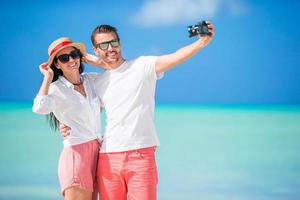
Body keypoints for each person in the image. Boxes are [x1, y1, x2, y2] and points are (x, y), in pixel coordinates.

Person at [61, 23, 215, 200]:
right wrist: (64, 124)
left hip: (141, 156)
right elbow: (76, 105)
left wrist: (202, 42)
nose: (110, 48)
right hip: (107, 158)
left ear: (120, 43)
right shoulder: (96, 82)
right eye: (103, 45)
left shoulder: (142, 66)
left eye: (114, 43)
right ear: (96, 50)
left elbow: (175, 57)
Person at [32, 37, 102, 200]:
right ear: (57, 64)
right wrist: (48, 76)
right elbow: (39, 107)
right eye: (64, 58)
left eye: (74, 54)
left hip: (98, 151)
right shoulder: (56, 89)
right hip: (76, 154)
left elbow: (115, 74)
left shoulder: (91, 80)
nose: (71, 60)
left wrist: (95, 61)